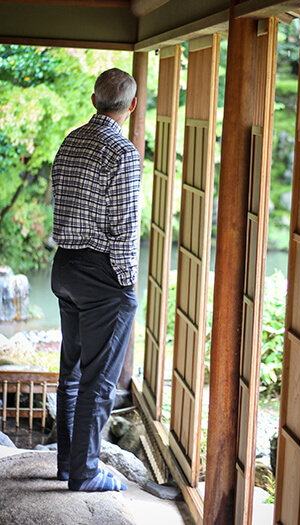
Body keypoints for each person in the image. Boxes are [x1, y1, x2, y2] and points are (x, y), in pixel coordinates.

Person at [51, 68, 140, 492]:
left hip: (65, 267)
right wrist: (127, 288)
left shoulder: (70, 141)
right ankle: (86, 473)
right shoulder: (122, 153)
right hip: (102, 275)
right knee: (100, 379)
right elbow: (125, 229)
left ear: (93, 100)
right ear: (132, 106)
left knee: (72, 371)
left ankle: (68, 464)